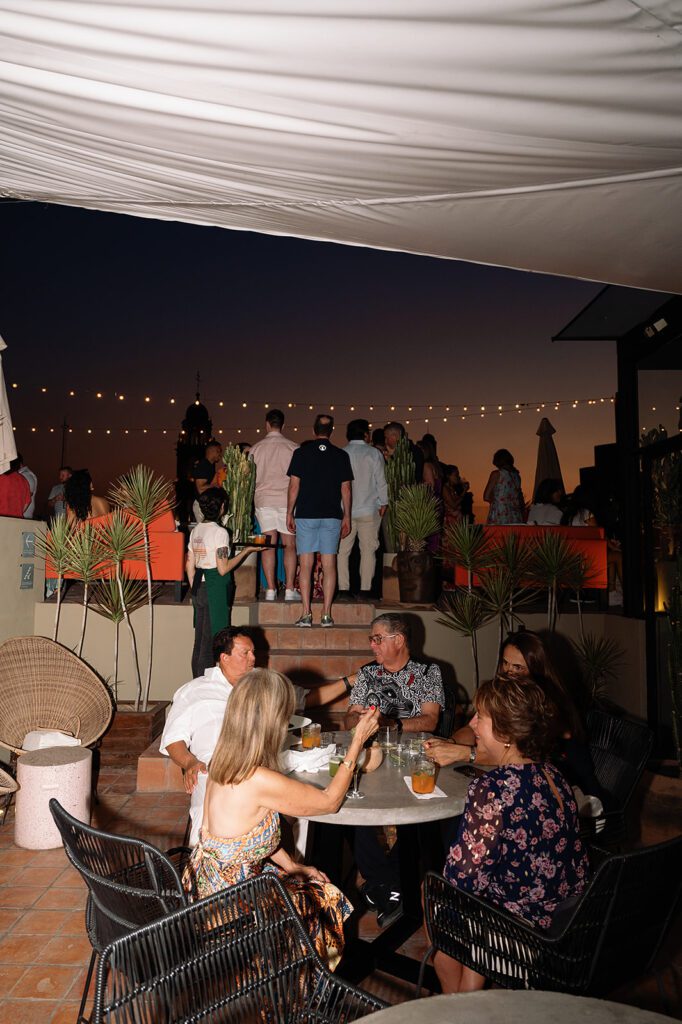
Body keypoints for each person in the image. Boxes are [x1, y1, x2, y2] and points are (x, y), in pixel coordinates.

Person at [182, 669, 379, 969]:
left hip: (206, 883)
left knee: (309, 880)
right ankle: (298, 987)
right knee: (324, 900)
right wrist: (357, 742)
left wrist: (293, 865)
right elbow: (329, 801)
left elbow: (248, 835)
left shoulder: (224, 758)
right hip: (231, 904)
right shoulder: (257, 778)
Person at [431, 674, 590, 994]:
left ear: (504, 733)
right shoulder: (553, 774)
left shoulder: (492, 788)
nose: (473, 724)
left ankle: (461, 1008)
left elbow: (461, 878)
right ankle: (473, 988)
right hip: (564, 920)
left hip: (516, 931)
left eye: (481, 718)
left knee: (433, 904)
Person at [345, 613, 445, 926]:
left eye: (377, 638)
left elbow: (430, 720)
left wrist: (391, 724)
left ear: (398, 640)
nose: (371, 644)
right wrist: (357, 720)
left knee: (415, 815)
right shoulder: (366, 673)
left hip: (411, 759)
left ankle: (383, 885)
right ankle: (388, 883)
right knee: (352, 803)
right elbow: (349, 716)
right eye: (371, 639)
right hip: (372, 757)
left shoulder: (428, 672)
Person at [425, 629, 598, 797]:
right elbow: (474, 727)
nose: (509, 671)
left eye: (518, 667)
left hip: (569, 785)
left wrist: (462, 753)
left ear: (536, 668)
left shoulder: (543, 701)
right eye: (505, 663)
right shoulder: (507, 696)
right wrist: (449, 743)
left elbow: (519, 756)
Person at [160, 627, 258, 844]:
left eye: (253, 652)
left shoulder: (258, 688)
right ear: (224, 658)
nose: (253, 658)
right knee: (209, 815)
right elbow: (173, 739)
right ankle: (200, 868)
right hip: (214, 771)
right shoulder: (195, 691)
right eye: (246, 653)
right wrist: (190, 762)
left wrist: (349, 682)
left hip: (258, 769)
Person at [286, 414, 353, 628]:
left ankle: (306, 613)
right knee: (329, 564)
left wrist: (289, 512)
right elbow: (346, 488)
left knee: (305, 565)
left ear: (314, 431)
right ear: (331, 431)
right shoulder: (341, 455)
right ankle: (326, 614)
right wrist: (347, 516)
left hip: (306, 514)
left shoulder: (301, 453)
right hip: (332, 515)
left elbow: (294, 486)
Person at [187, 487, 260, 679]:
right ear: (221, 508)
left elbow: (189, 563)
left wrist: (195, 587)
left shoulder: (196, 530)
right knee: (214, 641)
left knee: (199, 641)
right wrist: (246, 552)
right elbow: (223, 568)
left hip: (199, 586)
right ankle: (206, 683)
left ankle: (197, 680)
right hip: (214, 588)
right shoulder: (220, 532)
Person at [249, 408, 300, 602]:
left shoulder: (256, 448)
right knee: (290, 545)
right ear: (283, 425)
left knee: (268, 546)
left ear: (267, 424)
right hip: (288, 502)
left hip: (263, 501)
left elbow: (250, 479)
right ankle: (289, 589)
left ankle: (270, 589)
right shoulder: (293, 448)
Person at [337, 418, 387, 600]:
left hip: (345, 511)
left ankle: (343, 589)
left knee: (342, 551)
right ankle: (365, 590)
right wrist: (384, 502)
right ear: (366, 434)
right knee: (368, 550)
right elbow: (381, 480)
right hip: (369, 509)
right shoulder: (373, 453)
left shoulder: (341, 453)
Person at [483, 448, 525, 524]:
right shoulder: (517, 476)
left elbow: (486, 496)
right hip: (515, 514)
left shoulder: (496, 474)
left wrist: (497, 501)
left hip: (500, 513)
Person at [191, 440, 223, 522]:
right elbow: (200, 488)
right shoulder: (203, 465)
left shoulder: (210, 466)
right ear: (211, 451)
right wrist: (216, 485)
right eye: (218, 451)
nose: (220, 454)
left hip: (205, 505)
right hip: (201, 506)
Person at [17, 453, 38, 519]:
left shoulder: (27, 476)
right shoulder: (21, 475)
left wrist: (17, 513)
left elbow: (27, 497)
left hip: (24, 516)